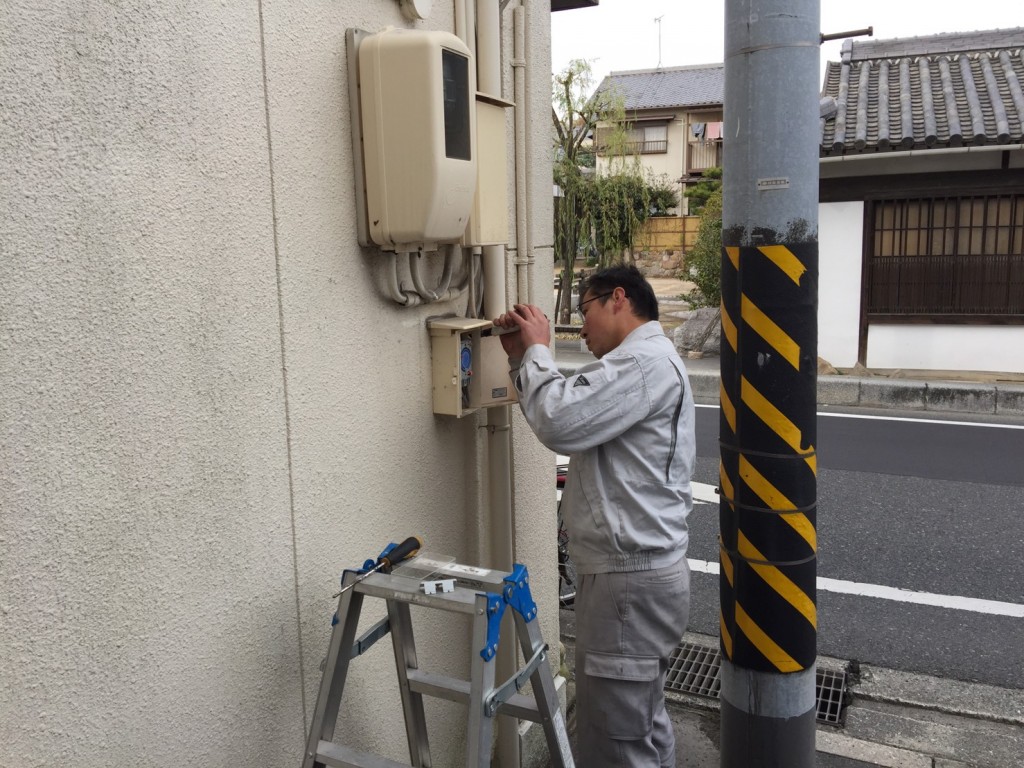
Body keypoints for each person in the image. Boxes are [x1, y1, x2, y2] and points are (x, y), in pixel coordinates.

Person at [493, 264, 695, 768]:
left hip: (628, 584)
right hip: (639, 577)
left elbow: (561, 420)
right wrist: (522, 360)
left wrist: (537, 348)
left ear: (618, 299)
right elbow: (568, 409)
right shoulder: (644, 362)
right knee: (642, 727)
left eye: (583, 310)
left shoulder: (641, 364)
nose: (579, 327)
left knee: (617, 744)